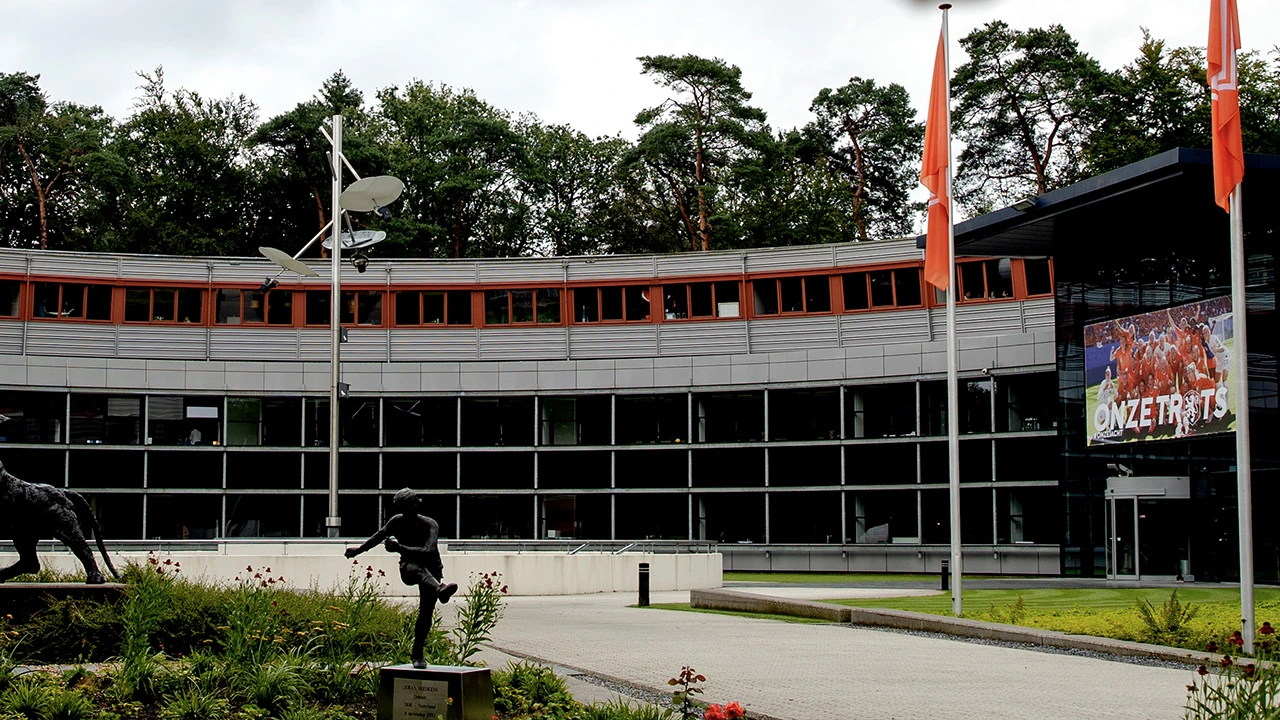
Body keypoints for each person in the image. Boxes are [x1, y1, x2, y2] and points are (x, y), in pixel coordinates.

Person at [344, 488, 458, 668]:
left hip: (433, 569)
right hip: (410, 568)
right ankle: (439, 590)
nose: (410, 509)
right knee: (418, 570)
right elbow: (378, 536)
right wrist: (358, 550)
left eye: (412, 505)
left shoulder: (430, 524)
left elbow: (428, 551)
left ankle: (417, 653)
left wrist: (399, 548)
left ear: (416, 504)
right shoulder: (396, 522)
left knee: (425, 614)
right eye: (405, 507)